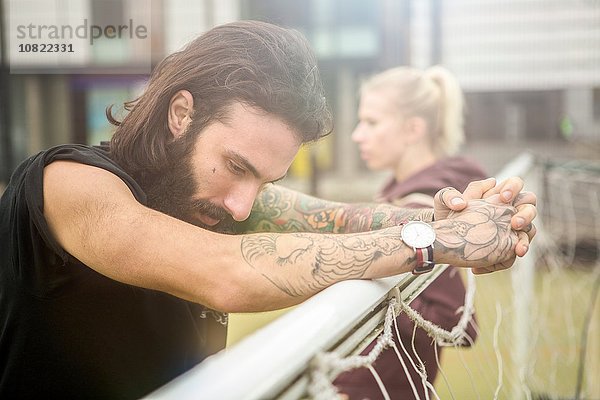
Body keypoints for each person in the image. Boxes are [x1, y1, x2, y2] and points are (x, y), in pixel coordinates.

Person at [0, 21, 537, 399]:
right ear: (181, 115)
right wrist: (433, 243)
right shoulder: (67, 187)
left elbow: (348, 218)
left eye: (264, 180)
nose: (242, 205)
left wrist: (460, 220)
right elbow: (226, 273)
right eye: (236, 165)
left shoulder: (212, 198)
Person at [334, 66, 488, 399]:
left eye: (371, 122)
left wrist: (377, 293)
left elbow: (458, 323)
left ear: (412, 129)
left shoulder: (423, 214)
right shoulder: (399, 197)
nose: (357, 135)